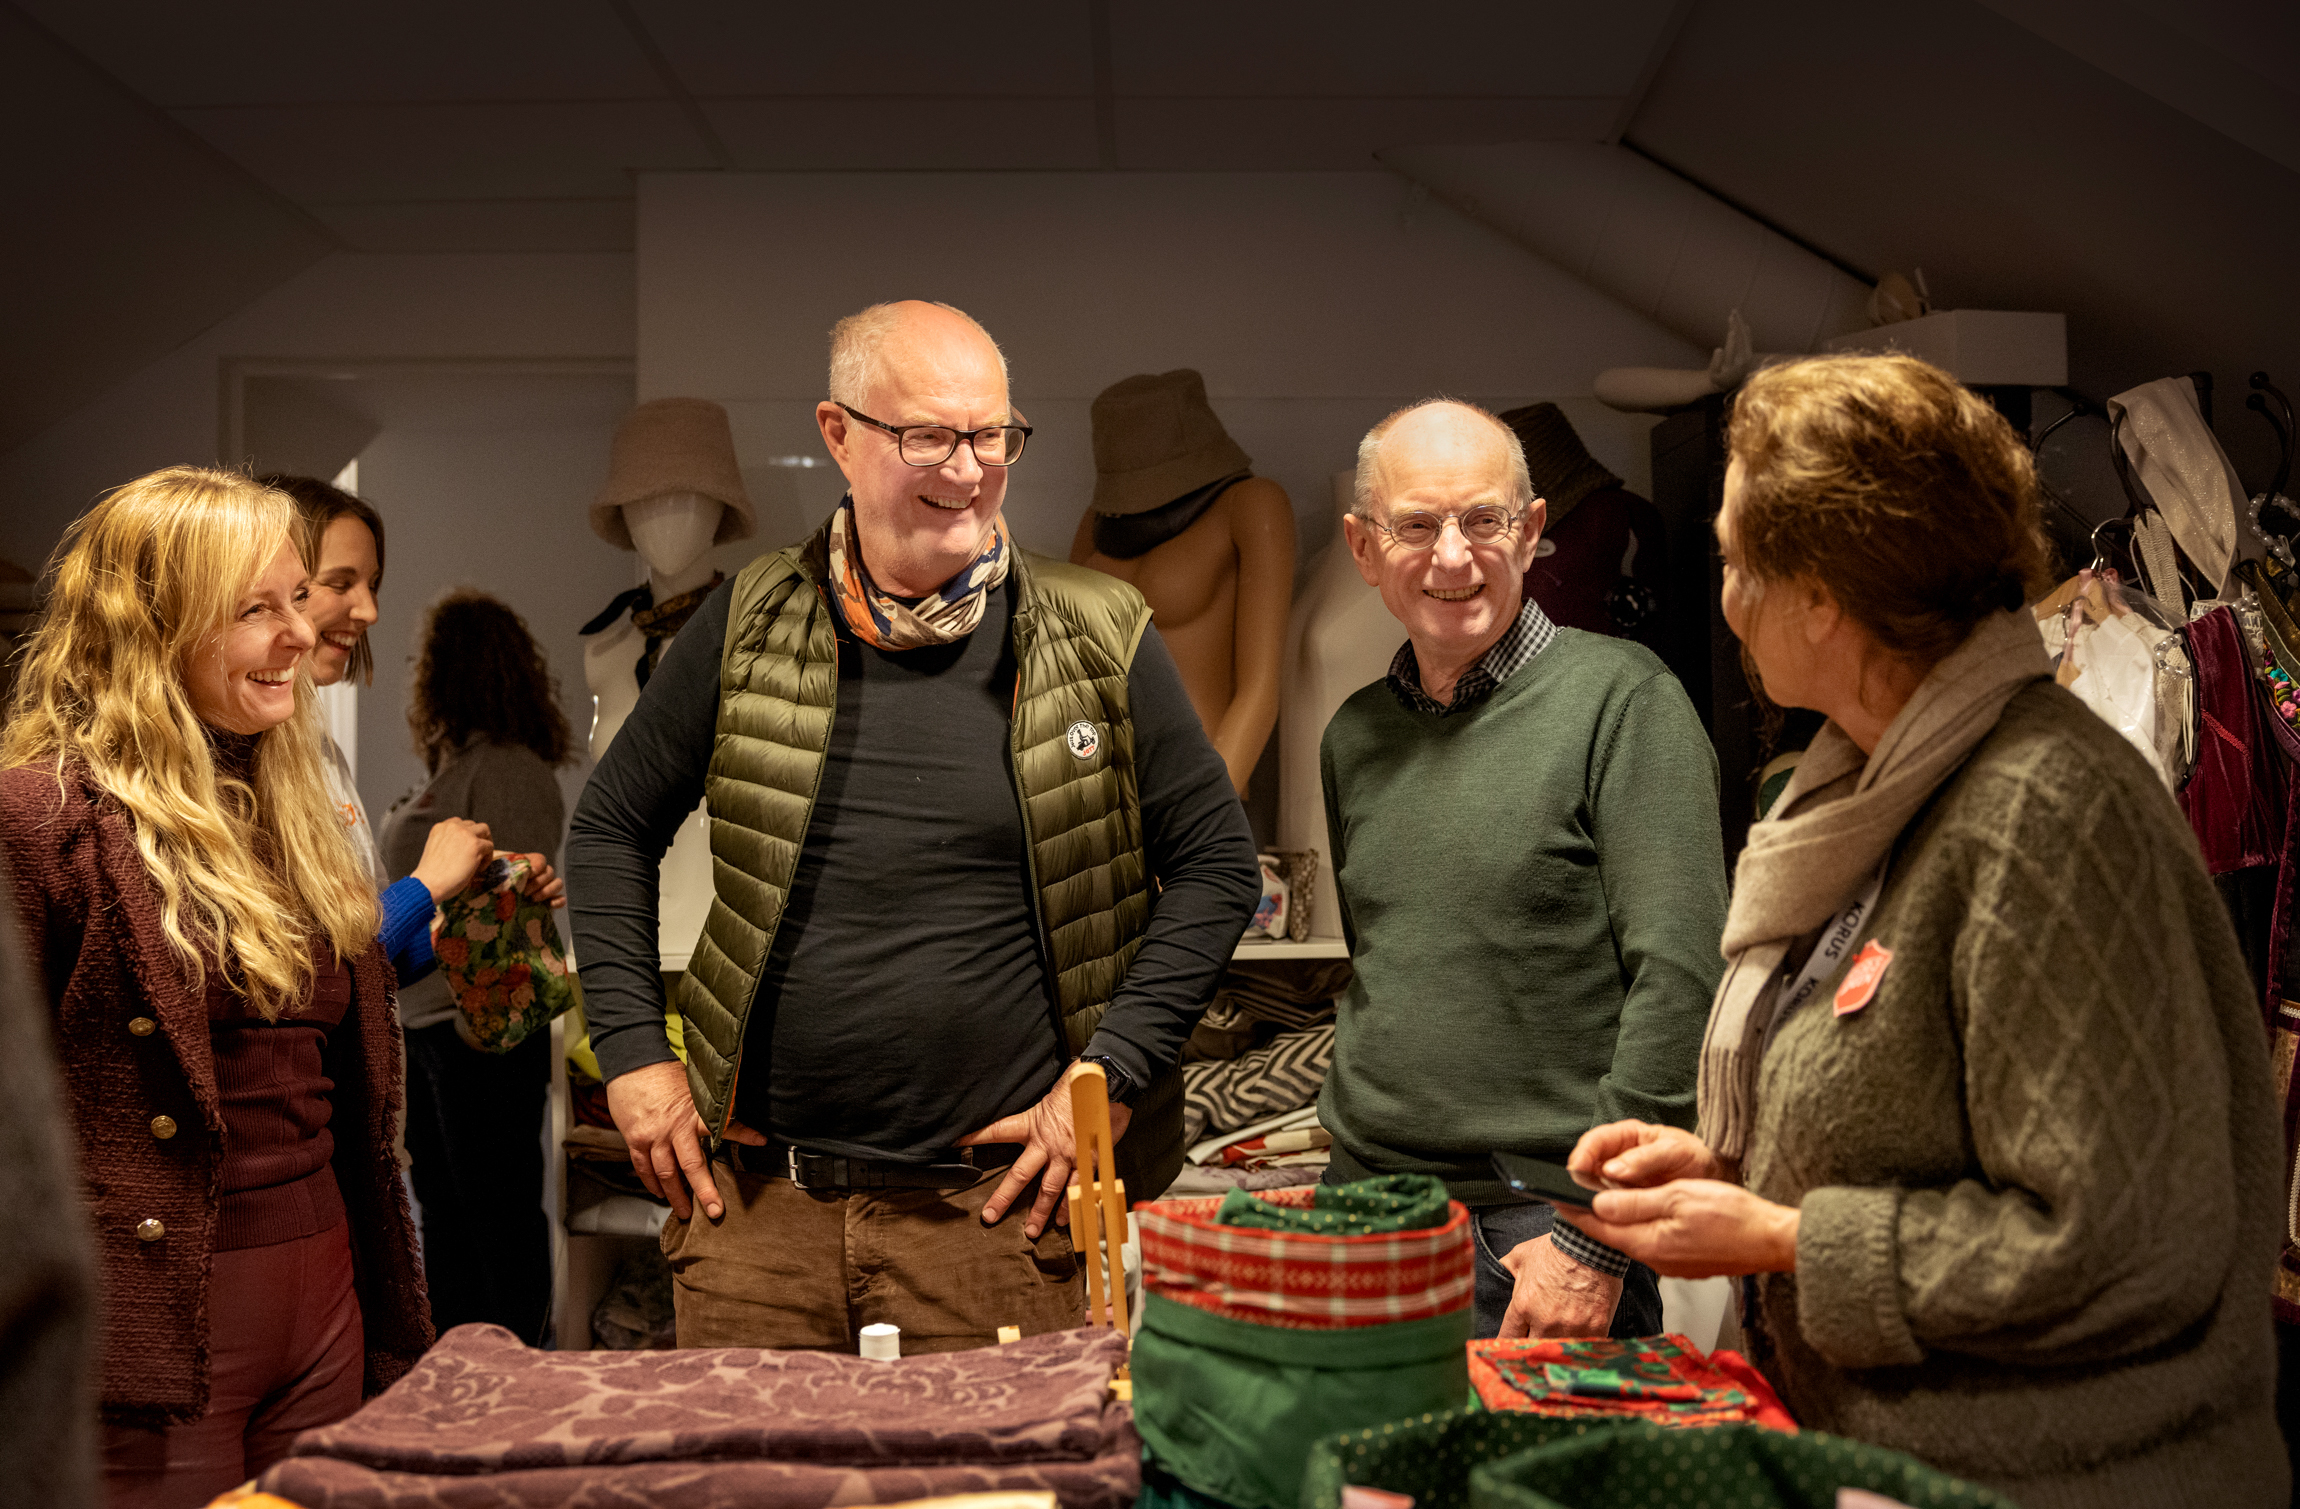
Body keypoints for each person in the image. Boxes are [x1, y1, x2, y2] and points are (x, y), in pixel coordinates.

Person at [1563, 354, 2287, 1507]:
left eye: (1738, 563)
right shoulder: (1876, 788)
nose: (1727, 599)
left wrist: (1777, 1237)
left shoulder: (2042, 814)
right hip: (1904, 1464)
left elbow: (2117, 1239)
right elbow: (1922, 1111)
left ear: (1825, 595)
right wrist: (1729, 1169)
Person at [567, 299, 1259, 1353]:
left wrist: (1111, 1072)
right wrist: (629, 1055)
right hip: (754, 1223)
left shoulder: (1097, 629)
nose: (969, 466)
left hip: (996, 1231)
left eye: (992, 434)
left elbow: (1213, 865)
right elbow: (611, 825)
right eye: (928, 435)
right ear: (837, 434)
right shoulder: (746, 620)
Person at [0, 467, 430, 1503]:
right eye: (256, 610)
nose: (300, 635)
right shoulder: (37, 821)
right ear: (152, 629)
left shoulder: (298, 810)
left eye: (296, 599)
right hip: (152, 1333)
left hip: (331, 1296)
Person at [1319, 398, 1727, 1341]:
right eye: (1415, 525)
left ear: (1533, 529)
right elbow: (1384, 963)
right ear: (1363, 544)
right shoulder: (1354, 736)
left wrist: (1593, 1236)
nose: (1452, 556)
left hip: (1538, 1232)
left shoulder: (1626, 702)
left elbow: (1683, 985)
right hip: (1364, 1214)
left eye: (1483, 520)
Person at [378, 590, 573, 1345]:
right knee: (449, 1219)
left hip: (478, 1034)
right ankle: (460, 1377)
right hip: (432, 1031)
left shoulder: (509, 769)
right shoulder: (454, 768)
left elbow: (511, 909)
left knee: (497, 1219)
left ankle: (519, 1376)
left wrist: (471, 1027)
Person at [269, 474, 530, 980]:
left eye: (372, 585)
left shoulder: (321, 752)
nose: (369, 610)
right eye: (341, 583)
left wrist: (486, 900)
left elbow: (380, 963)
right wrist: (425, 885)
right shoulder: (240, 761)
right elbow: (311, 975)